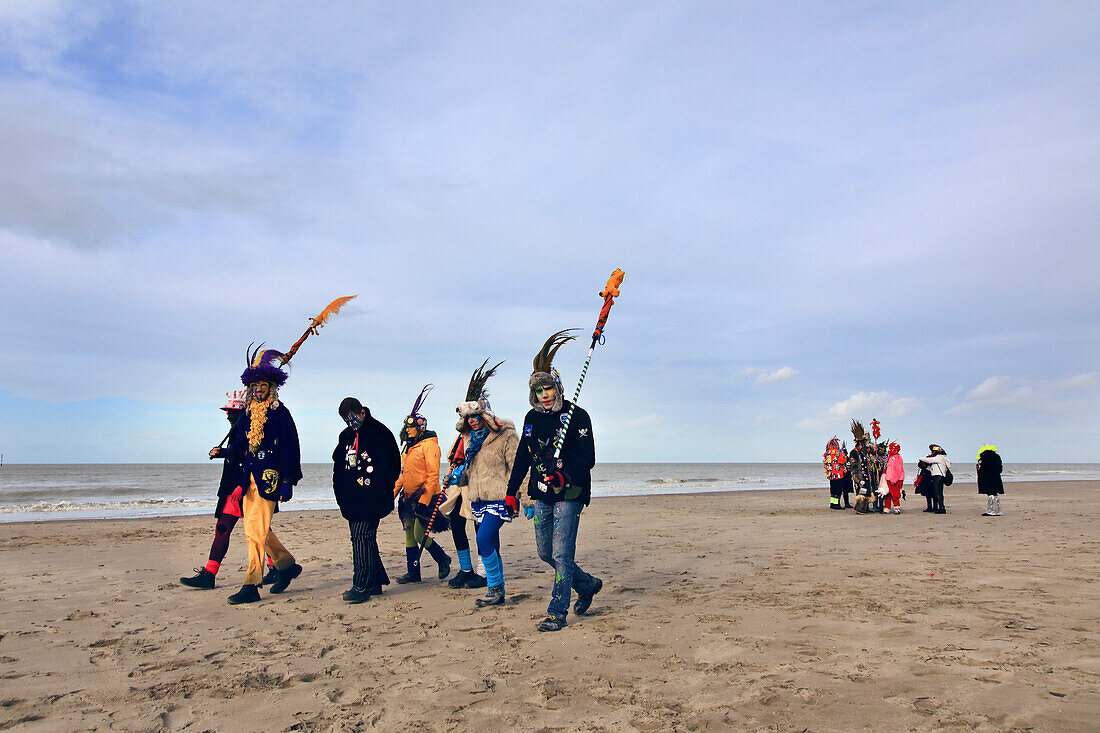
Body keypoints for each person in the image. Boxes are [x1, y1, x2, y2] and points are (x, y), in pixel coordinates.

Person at [507, 330, 603, 632]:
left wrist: (565, 474)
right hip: (542, 493)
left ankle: (557, 612)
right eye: (539, 391)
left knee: (562, 553)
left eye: (549, 388)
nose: (545, 395)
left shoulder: (577, 416)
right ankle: (587, 585)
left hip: (570, 492)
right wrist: (512, 492)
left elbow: (587, 457)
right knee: (545, 553)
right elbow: (523, 455)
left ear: (557, 387)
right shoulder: (531, 419)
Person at [226, 347, 304, 605]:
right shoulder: (248, 413)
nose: (259, 390)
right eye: (256, 386)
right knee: (257, 529)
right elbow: (240, 444)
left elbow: (292, 447)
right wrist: (224, 451)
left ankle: (251, 583)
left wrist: (288, 481)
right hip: (248, 477)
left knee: (253, 530)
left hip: (270, 477)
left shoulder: (280, 413)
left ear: (272, 387)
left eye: (264, 386)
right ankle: (286, 565)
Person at [438, 359, 519, 606]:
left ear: (485, 413)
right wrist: (458, 474)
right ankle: (498, 591)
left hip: (499, 498)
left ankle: (493, 585)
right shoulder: (469, 439)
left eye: (476, 415)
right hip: (479, 499)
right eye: (468, 416)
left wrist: (522, 499)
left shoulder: (505, 434)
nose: (472, 420)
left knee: (483, 541)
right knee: (491, 542)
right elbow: (472, 468)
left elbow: (517, 468)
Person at [332, 397, 402, 603]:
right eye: (346, 421)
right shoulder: (345, 436)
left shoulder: (380, 433)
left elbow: (393, 465)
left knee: (361, 536)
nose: (351, 424)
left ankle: (361, 585)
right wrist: (340, 493)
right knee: (364, 538)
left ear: (362, 412)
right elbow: (338, 464)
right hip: (351, 499)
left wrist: (382, 490)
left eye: (353, 419)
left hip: (372, 498)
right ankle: (375, 582)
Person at [393, 385, 451, 583]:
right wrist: (392, 493)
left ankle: (443, 559)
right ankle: (413, 572)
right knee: (409, 533)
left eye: (411, 427)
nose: (407, 430)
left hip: (427, 497)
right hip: (407, 498)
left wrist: (425, 501)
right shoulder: (408, 448)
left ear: (420, 428)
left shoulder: (430, 445)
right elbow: (402, 474)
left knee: (419, 534)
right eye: (406, 427)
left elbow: (433, 475)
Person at [847, 421, 876, 515]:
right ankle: (860, 508)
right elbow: (853, 464)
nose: (862, 445)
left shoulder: (866, 452)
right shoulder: (854, 452)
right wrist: (855, 475)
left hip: (867, 474)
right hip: (859, 475)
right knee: (861, 491)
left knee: (867, 490)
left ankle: (865, 507)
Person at [917, 444, 951, 515]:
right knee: (939, 493)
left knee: (937, 493)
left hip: (937, 477)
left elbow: (928, 460)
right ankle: (940, 507)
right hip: (940, 476)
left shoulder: (939, 458)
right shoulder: (944, 458)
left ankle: (941, 508)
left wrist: (921, 458)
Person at [977, 444, 1004, 516]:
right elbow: (1000, 469)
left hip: (987, 477)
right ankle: (998, 510)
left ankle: (990, 510)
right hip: (996, 477)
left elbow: (981, 469)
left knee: (990, 493)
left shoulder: (983, 457)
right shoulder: (997, 456)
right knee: (995, 493)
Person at [823, 436, 848, 510]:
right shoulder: (837, 452)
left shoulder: (827, 453)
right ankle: (837, 504)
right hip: (838, 474)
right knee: (838, 490)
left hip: (831, 474)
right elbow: (842, 461)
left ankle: (832, 503)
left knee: (832, 489)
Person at [880, 442, 905, 514]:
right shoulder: (890, 457)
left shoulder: (897, 458)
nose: (889, 450)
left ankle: (896, 507)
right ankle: (886, 508)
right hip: (888, 478)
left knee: (895, 494)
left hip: (896, 479)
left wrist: (894, 479)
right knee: (887, 494)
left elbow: (897, 469)